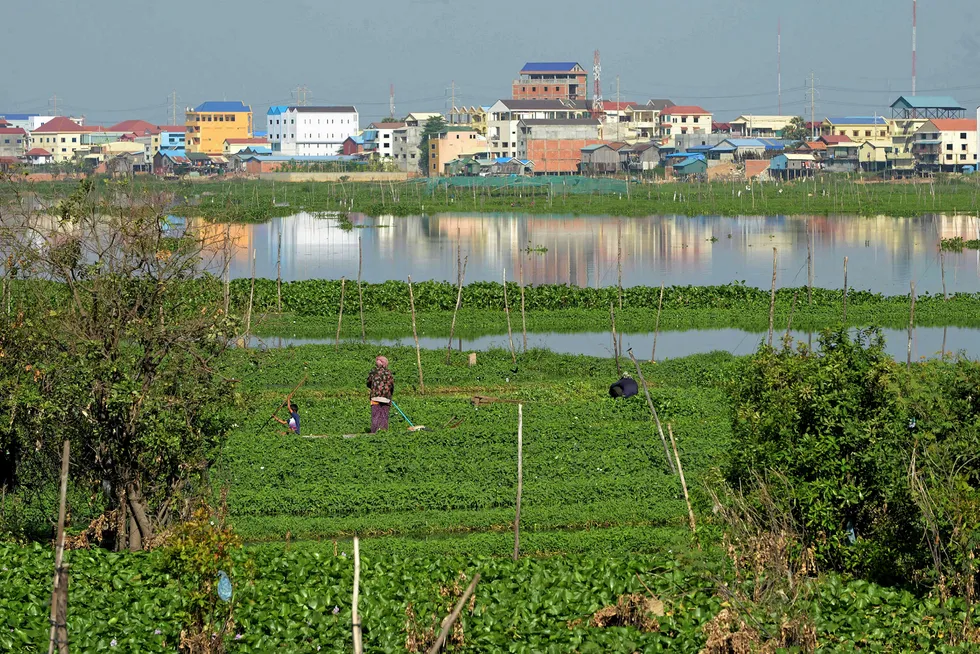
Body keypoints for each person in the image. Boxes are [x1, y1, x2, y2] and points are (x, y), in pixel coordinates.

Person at [366, 355, 394, 433]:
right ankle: (383, 432)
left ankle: (374, 432)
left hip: (375, 397)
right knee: (384, 416)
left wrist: (373, 388)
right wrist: (390, 394)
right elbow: (391, 385)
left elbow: (368, 383)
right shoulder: (388, 373)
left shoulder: (373, 372)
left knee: (375, 416)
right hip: (386, 398)